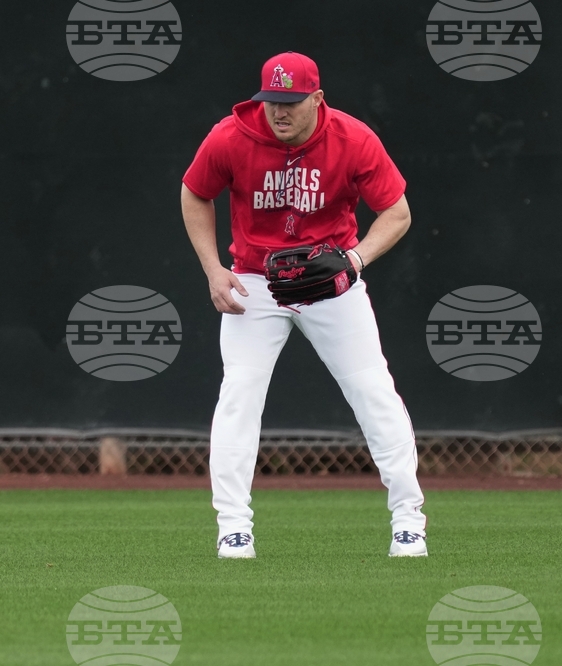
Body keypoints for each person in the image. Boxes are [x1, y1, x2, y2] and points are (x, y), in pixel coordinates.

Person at [180, 52, 428, 558]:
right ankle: (233, 527)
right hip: (255, 280)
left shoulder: (353, 138)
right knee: (239, 396)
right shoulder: (231, 136)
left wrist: (354, 261)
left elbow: (397, 213)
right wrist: (213, 270)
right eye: (272, 101)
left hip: (331, 283)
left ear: (317, 99)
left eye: (291, 102)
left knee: (374, 391)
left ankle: (409, 522)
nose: (280, 112)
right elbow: (194, 192)